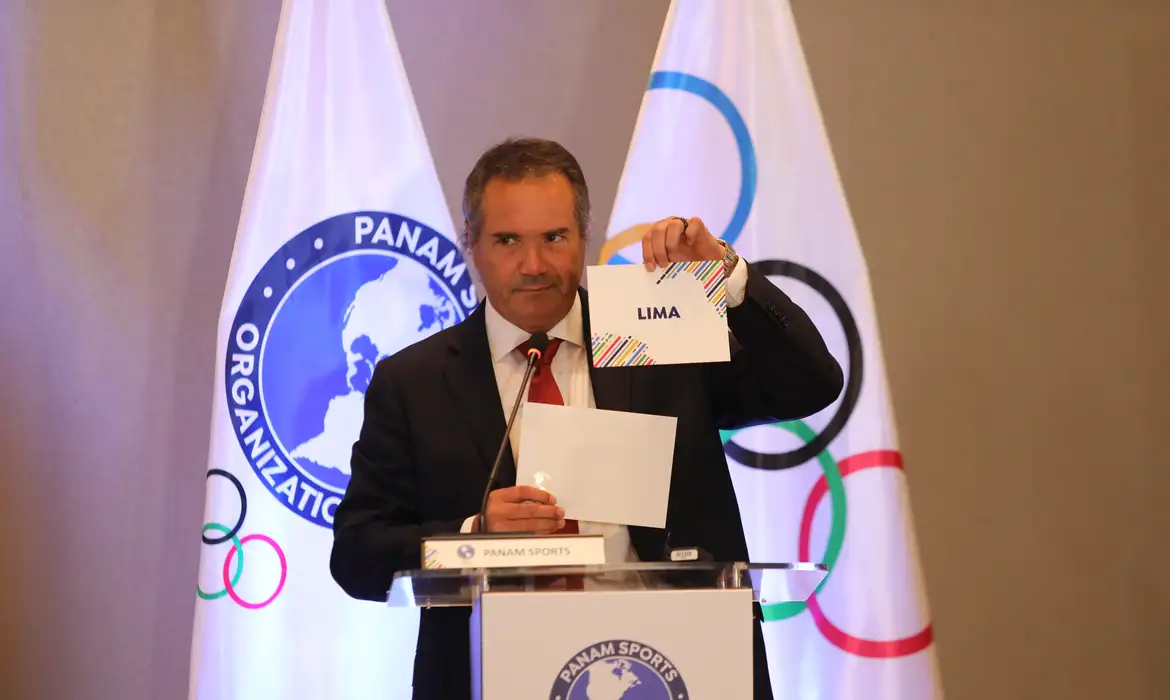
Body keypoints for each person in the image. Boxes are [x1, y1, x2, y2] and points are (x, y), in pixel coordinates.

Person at [330, 137, 844, 699]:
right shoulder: (416, 381)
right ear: (471, 243)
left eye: (554, 238)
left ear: (584, 236)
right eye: (507, 241)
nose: (533, 266)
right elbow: (358, 555)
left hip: (678, 667)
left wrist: (727, 277)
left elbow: (809, 385)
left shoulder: (654, 334)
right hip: (497, 675)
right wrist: (474, 536)